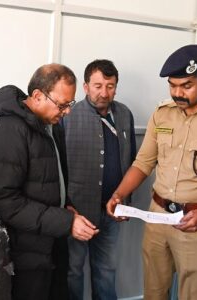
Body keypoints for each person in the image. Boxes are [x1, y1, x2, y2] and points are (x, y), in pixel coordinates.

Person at [106, 44, 197, 300]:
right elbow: (143, 162)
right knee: (153, 292)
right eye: (172, 85)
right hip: (157, 217)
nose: (178, 93)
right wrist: (119, 194)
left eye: (186, 85)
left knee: (192, 294)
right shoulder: (162, 113)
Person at [0, 63, 99, 300]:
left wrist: (67, 206)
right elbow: (5, 201)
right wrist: (66, 221)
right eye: (62, 105)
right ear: (37, 96)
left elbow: (49, 179)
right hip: (21, 252)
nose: (67, 112)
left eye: (70, 104)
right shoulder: (9, 131)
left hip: (49, 242)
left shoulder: (49, 126)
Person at [62, 59, 136, 300]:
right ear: (85, 87)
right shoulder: (68, 113)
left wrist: (125, 201)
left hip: (112, 210)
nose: (104, 92)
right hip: (77, 211)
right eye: (98, 85)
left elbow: (132, 160)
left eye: (110, 86)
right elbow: (57, 164)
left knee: (106, 270)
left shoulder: (124, 114)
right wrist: (64, 208)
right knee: (72, 270)